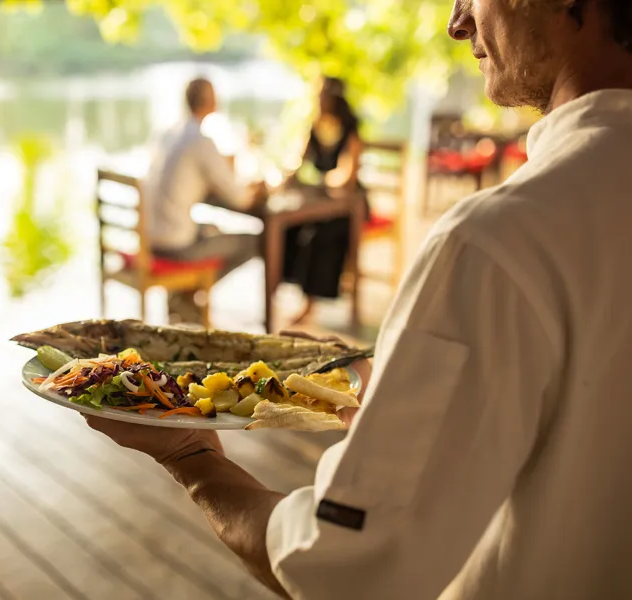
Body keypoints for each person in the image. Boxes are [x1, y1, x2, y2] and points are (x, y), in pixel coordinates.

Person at [88, 1, 632, 598]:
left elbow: (342, 569)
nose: (457, 22)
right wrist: (383, 375)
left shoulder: (495, 241)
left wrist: (192, 457)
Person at [143, 77, 267, 323]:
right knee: (256, 242)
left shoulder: (169, 133)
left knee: (211, 229)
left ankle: (184, 299)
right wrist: (258, 189)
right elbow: (240, 199)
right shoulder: (201, 142)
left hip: (148, 237)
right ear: (213, 101)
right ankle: (194, 292)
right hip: (174, 245)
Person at [283, 77, 365, 325]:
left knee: (323, 234)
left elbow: (347, 174)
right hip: (321, 200)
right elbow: (300, 161)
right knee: (290, 227)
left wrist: (321, 182)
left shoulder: (350, 128)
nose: (318, 100)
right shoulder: (316, 127)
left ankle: (311, 304)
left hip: (349, 204)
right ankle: (286, 286)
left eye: (322, 95)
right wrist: (286, 178)